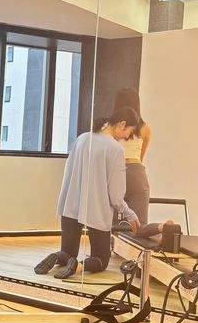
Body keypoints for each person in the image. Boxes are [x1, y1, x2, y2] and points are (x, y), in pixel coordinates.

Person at [34, 107, 141, 279]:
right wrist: (129, 214)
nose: (127, 136)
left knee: (67, 252)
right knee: (101, 259)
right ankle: (77, 267)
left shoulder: (82, 138)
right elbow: (115, 195)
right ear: (122, 124)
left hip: (70, 207)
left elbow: (68, 173)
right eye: (129, 131)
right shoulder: (116, 149)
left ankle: (56, 258)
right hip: (96, 211)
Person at [112, 87, 152, 226]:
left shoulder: (112, 128)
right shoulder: (145, 129)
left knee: (113, 225)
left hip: (116, 172)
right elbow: (140, 158)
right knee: (139, 225)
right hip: (137, 174)